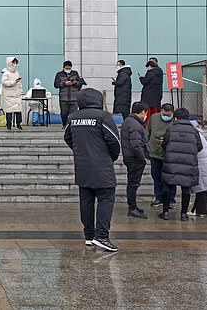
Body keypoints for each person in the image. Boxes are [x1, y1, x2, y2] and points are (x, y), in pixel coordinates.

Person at [64, 88, 121, 252]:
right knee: (106, 199)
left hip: (82, 166)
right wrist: (112, 156)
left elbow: (67, 137)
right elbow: (114, 140)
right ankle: (102, 236)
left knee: (86, 201)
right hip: (102, 165)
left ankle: (89, 235)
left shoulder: (73, 118)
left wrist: (79, 150)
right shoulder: (103, 117)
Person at [159, 108, 203, 221]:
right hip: (188, 163)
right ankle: (183, 214)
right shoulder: (194, 131)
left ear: (175, 117)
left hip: (171, 163)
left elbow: (164, 144)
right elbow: (199, 147)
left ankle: (165, 212)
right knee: (186, 188)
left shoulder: (171, 129)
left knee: (167, 187)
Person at [121, 102, 150, 219]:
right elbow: (136, 144)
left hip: (130, 157)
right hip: (134, 158)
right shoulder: (135, 124)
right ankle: (132, 208)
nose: (146, 115)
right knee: (133, 184)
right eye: (145, 113)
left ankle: (133, 206)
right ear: (142, 112)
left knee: (132, 184)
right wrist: (142, 158)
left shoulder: (129, 121)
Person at [145, 103, 177, 209]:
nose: (166, 117)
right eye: (164, 114)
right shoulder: (154, 118)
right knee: (156, 176)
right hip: (155, 152)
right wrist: (147, 145)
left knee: (170, 178)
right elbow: (147, 132)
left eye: (168, 115)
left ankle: (171, 199)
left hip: (170, 154)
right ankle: (158, 197)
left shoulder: (175, 121)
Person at [54, 60, 86, 128]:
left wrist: (75, 83)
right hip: (63, 98)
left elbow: (80, 83)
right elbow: (56, 84)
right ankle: (64, 124)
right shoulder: (59, 74)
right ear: (63, 68)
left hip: (74, 97)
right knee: (64, 113)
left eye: (69, 68)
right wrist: (64, 83)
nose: (68, 69)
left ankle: (72, 125)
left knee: (74, 113)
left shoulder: (75, 73)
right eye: (66, 68)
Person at [1, 57, 23, 131]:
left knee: (18, 111)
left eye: (15, 63)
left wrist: (20, 90)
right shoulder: (6, 73)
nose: (15, 64)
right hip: (9, 95)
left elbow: (19, 83)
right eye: (13, 63)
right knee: (9, 111)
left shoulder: (17, 72)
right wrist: (13, 82)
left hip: (17, 95)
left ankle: (19, 124)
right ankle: (9, 125)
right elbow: (4, 82)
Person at [139, 59, 163, 126]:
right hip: (156, 94)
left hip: (148, 95)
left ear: (150, 66)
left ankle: (146, 125)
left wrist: (141, 78)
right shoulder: (159, 72)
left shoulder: (150, 73)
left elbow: (145, 82)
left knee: (147, 111)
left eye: (147, 67)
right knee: (154, 110)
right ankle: (155, 124)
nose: (147, 68)